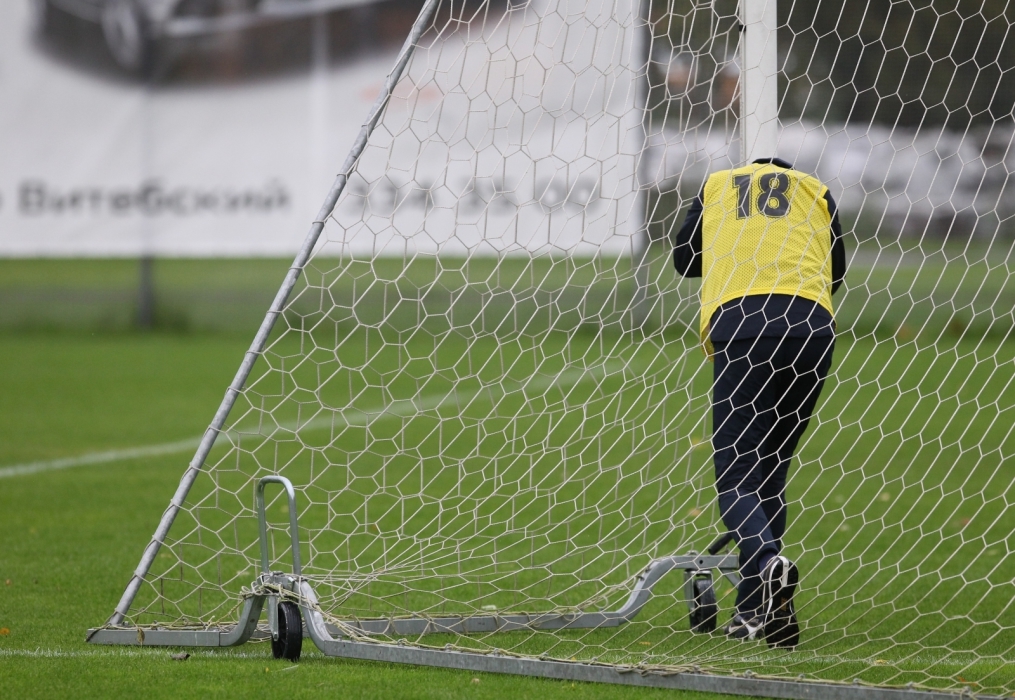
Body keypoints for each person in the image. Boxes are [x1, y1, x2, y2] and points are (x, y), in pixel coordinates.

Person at [673, 157, 846, 648]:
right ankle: (753, 611)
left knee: (736, 475)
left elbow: (684, 260)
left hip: (745, 327)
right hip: (812, 329)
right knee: (772, 468)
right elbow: (836, 272)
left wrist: (735, 248)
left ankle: (768, 563)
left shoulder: (718, 185)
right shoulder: (816, 189)